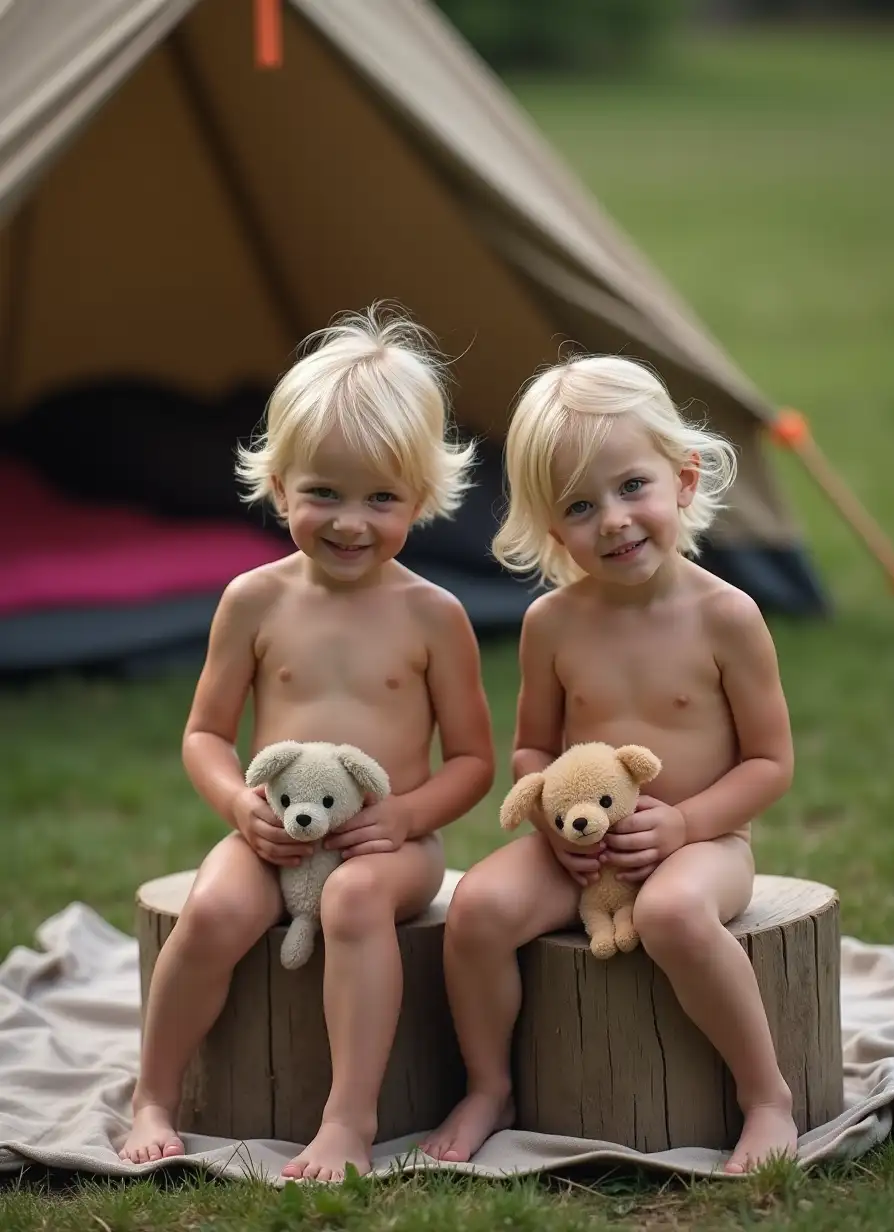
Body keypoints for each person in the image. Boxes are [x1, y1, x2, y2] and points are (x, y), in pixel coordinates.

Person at [119, 307, 495, 1182]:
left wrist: (404, 818)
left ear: (423, 498)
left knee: (354, 904)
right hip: (272, 834)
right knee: (212, 911)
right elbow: (207, 733)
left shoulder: (434, 617)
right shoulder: (253, 600)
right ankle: (154, 1095)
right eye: (324, 493)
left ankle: (348, 1119)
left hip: (386, 848)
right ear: (280, 486)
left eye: (382, 499)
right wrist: (236, 807)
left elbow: (474, 761)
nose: (351, 522)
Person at [422, 354, 797, 1175]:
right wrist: (557, 831)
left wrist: (688, 823)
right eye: (581, 507)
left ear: (684, 479)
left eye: (633, 488)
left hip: (704, 841)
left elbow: (771, 763)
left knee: (670, 917)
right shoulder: (552, 624)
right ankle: (491, 1086)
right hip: (580, 849)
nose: (615, 521)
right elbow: (532, 746)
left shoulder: (726, 618)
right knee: (478, 907)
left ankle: (765, 1094)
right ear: (553, 530)